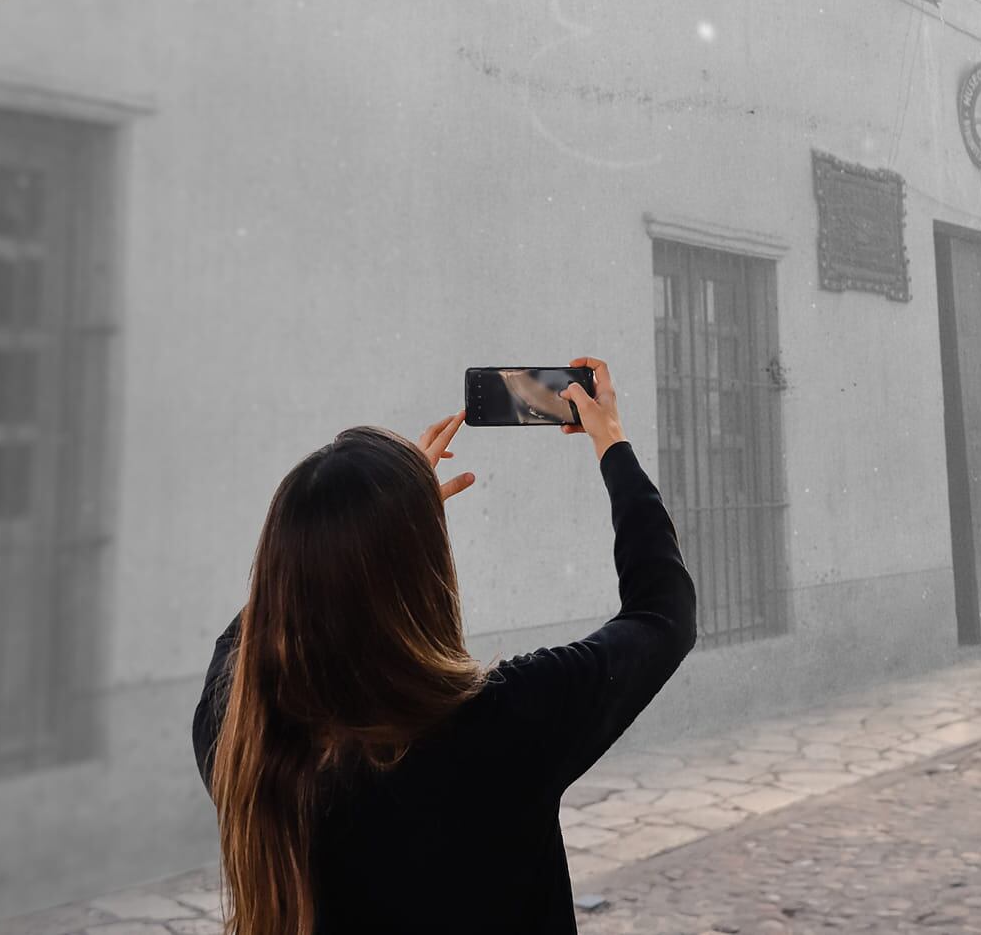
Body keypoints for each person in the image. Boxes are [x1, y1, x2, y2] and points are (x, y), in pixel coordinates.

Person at [192, 357, 696, 934]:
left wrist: (361, 532)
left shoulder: (244, 745)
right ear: (421, 563)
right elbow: (664, 615)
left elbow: (245, 640)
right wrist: (611, 440)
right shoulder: (506, 719)